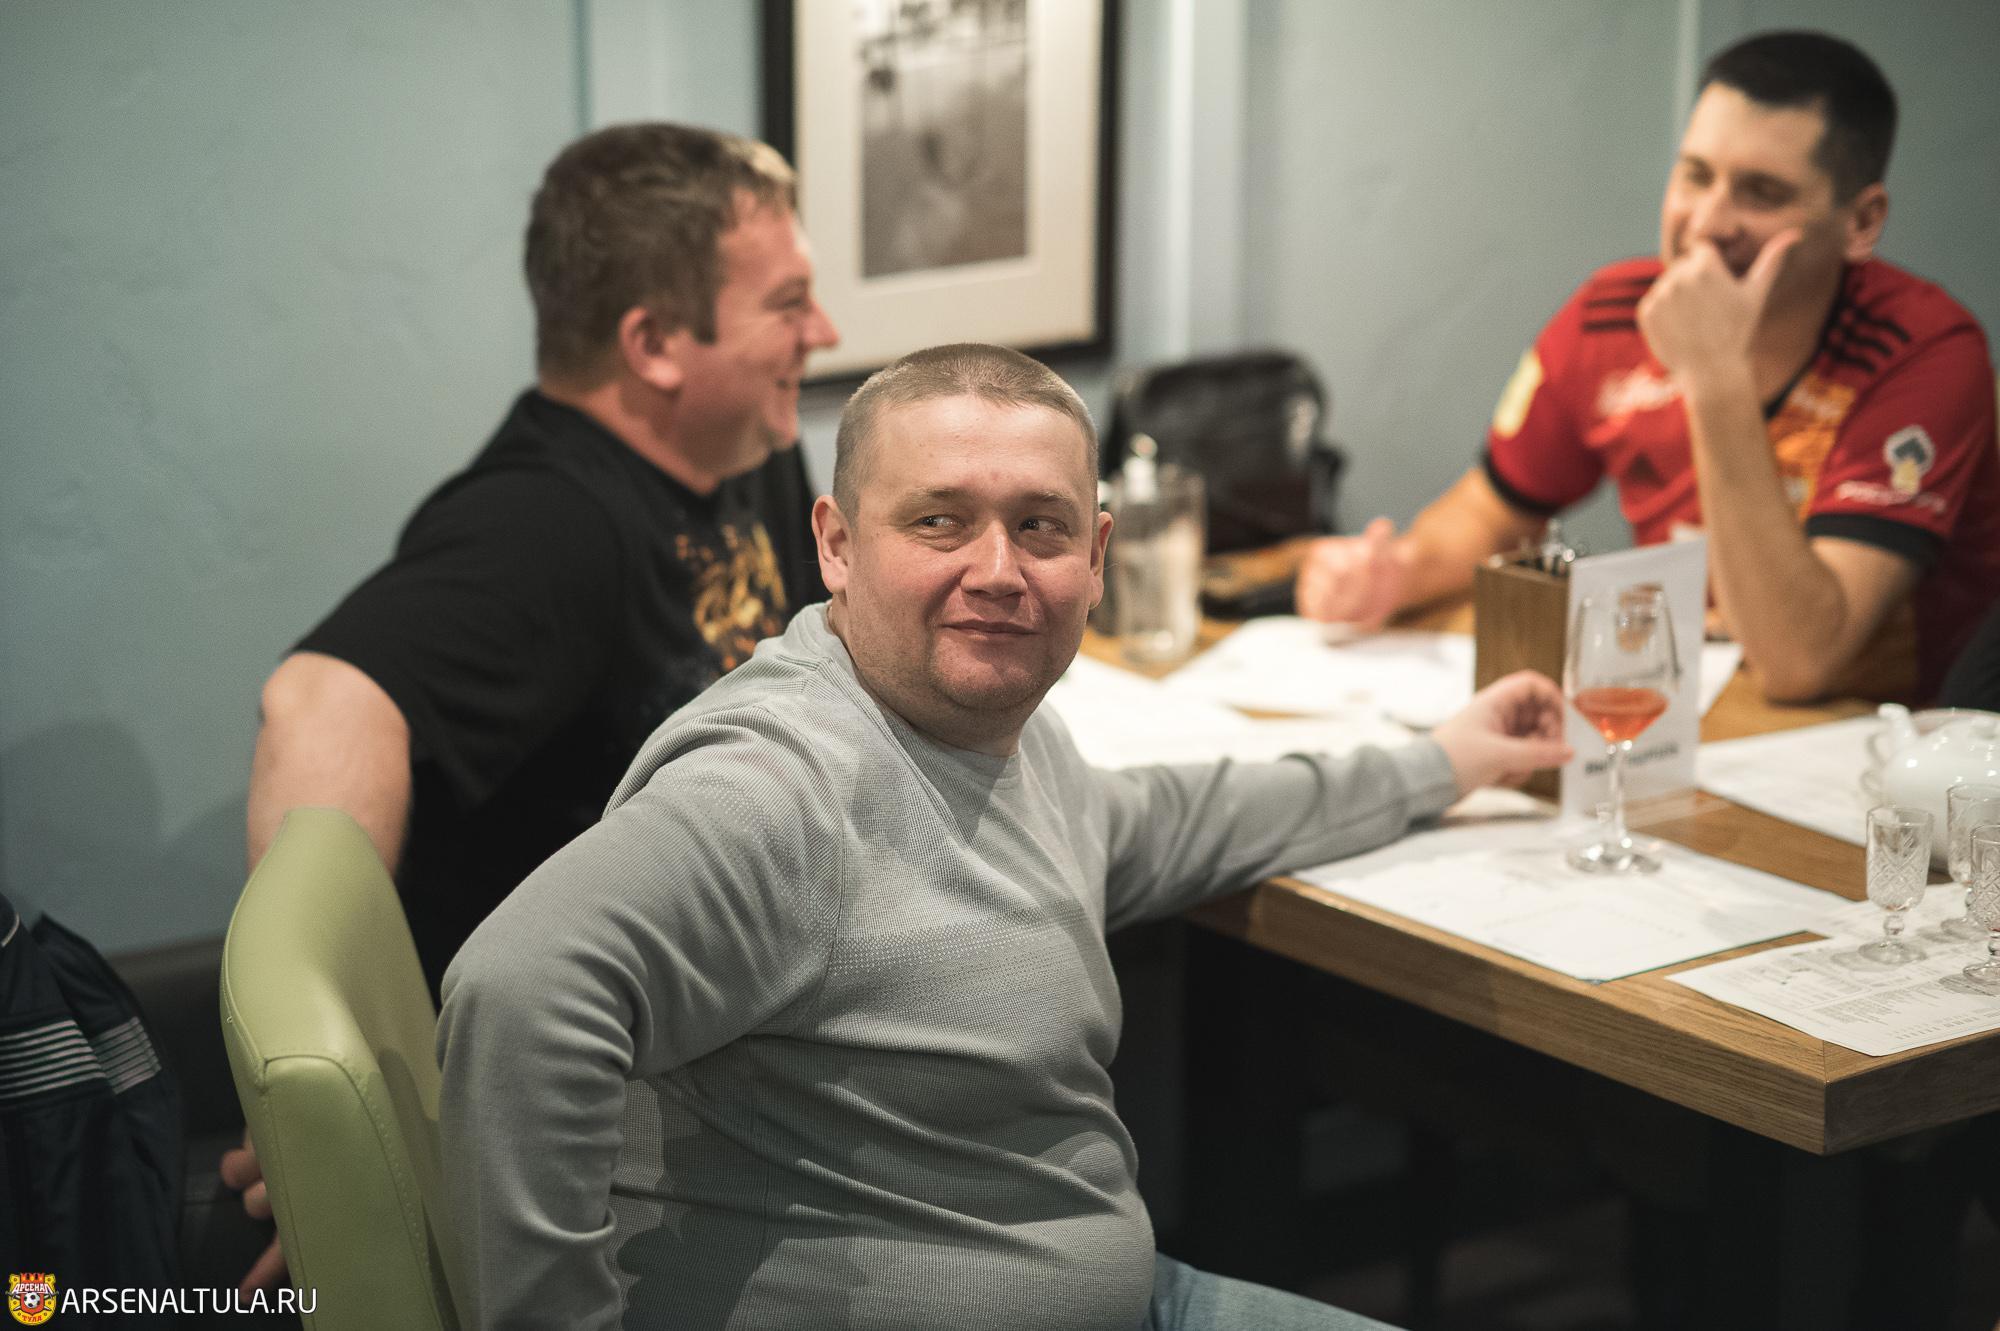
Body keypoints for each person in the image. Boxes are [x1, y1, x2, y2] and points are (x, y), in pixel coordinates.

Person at [437, 343, 1571, 1330]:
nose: (997, 571)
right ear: (835, 544)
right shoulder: (782, 782)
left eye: (1041, 527)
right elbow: (522, 990)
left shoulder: (1003, 739)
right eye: (939, 521)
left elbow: (1169, 818)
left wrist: (1440, 760)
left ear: (1097, 554)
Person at [224, 122, 838, 1292]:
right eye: (788, 304)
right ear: (653, 344)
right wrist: (321, 1110)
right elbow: (318, 699)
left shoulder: (738, 448)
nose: (824, 332)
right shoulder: (546, 521)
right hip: (589, 1121)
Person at [1296, 31, 2000, 705]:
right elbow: (1491, 512)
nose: (1707, 222)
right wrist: (1395, 572)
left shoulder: (1925, 352)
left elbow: (1800, 659)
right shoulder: (1611, 313)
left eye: (1762, 193)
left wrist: (1715, 375)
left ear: (1861, 221)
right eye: (1695, 175)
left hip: (1880, 740)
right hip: (1687, 706)